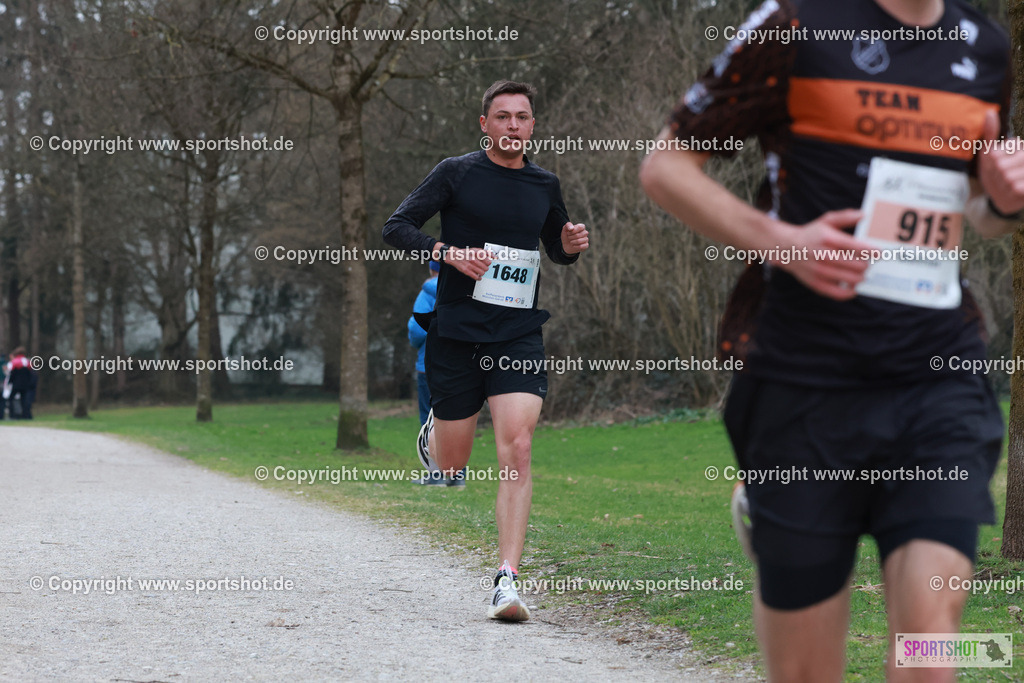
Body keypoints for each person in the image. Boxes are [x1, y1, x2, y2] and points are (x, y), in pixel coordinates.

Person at [640, 1, 1020, 680]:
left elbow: (974, 207)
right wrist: (783, 242)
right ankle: (765, 502)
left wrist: (1001, 201)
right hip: (803, 381)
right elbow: (666, 168)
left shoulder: (984, 46)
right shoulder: (796, 23)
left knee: (932, 643)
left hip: (938, 375)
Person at [383, 79, 589, 621]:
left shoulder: (545, 183)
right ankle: (437, 435)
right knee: (454, 465)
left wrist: (567, 248)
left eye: (522, 117)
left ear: (533, 125)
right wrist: (445, 251)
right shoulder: (456, 172)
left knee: (517, 446)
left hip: (518, 332)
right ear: (485, 125)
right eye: (502, 117)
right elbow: (395, 227)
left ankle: (508, 580)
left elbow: (554, 245)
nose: (513, 126)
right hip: (456, 331)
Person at [407, 261, 463, 486]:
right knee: (458, 418)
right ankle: (456, 475)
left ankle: (436, 474)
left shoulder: (427, 293)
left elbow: (415, 330)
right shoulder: (467, 289)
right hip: (460, 366)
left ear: (431, 269)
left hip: (429, 364)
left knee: (429, 418)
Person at [5, 347, 34, 420]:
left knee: (11, 399)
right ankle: (25, 415)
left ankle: (12, 415)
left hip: (16, 385)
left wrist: (9, 382)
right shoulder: (27, 361)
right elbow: (30, 373)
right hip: (25, 385)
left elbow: (11, 373)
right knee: (24, 400)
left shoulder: (14, 362)